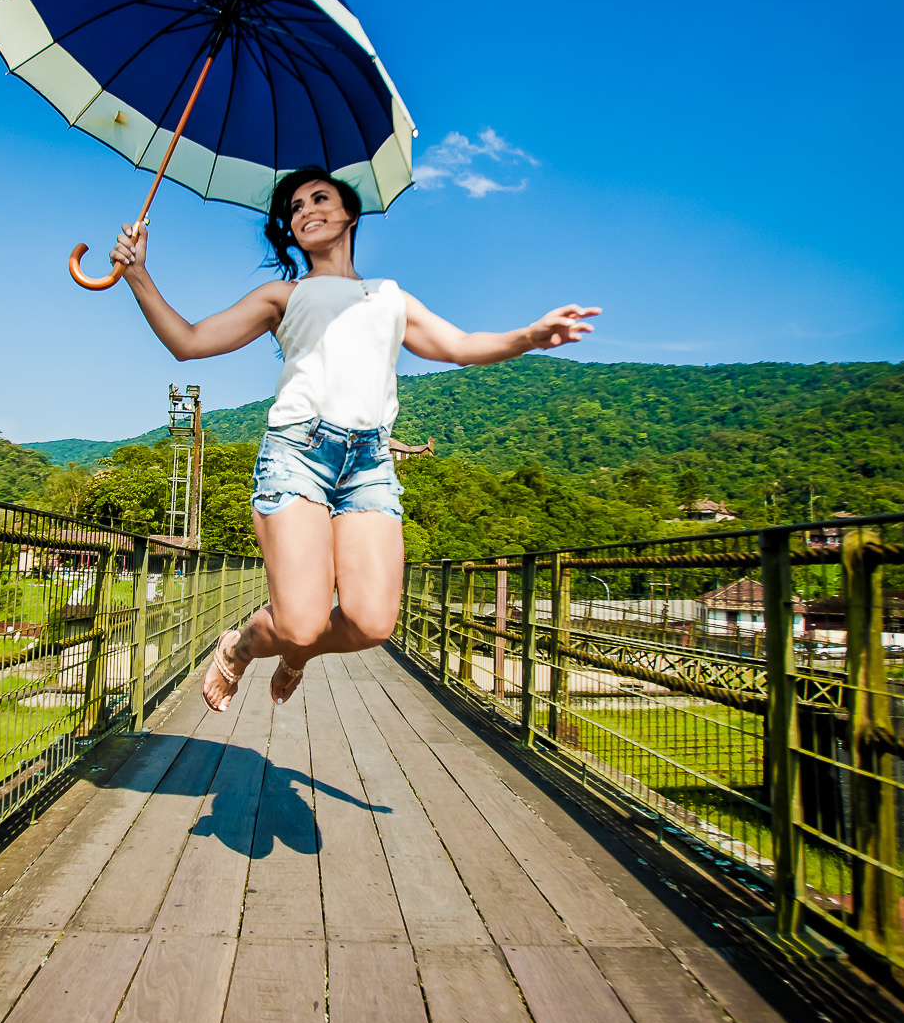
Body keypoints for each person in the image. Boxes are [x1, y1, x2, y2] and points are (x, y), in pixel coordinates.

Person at [109, 167, 599, 712]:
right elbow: (189, 341)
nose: (306, 210)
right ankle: (242, 645)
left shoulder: (388, 297)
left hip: (370, 461)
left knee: (371, 622)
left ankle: (299, 653)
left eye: (320, 198)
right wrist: (138, 275)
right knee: (299, 619)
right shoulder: (283, 296)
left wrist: (529, 336)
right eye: (295, 207)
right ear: (289, 229)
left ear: (349, 213)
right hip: (298, 454)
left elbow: (459, 344)